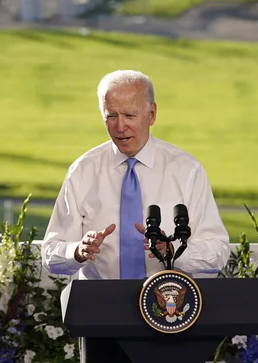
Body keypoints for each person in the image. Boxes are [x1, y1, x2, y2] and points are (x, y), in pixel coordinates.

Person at [41, 69, 230, 279]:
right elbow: (50, 254)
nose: (120, 126)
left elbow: (219, 252)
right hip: (101, 303)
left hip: (167, 304)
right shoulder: (82, 171)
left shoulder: (187, 171)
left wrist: (174, 251)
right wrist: (77, 250)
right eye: (111, 116)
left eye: (129, 115)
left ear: (152, 114)